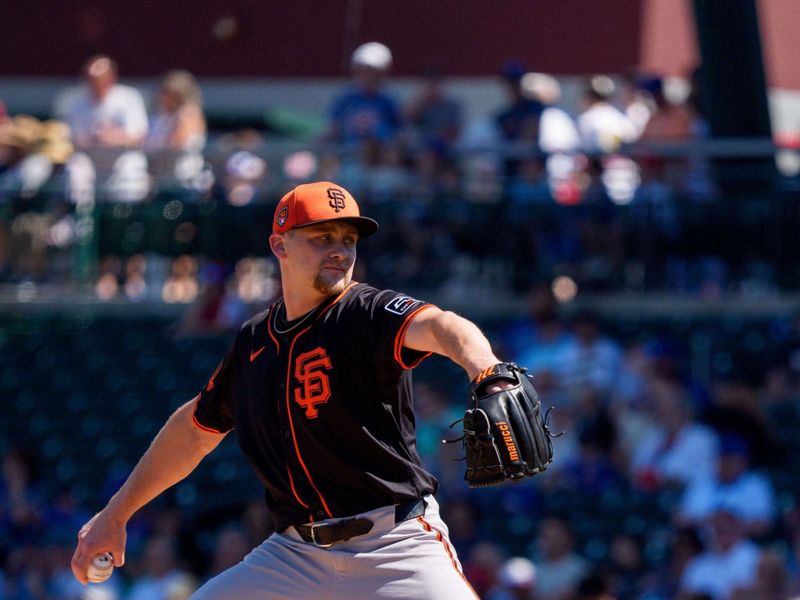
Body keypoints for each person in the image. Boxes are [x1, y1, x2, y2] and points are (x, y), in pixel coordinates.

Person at [71, 180, 515, 599]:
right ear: (279, 245)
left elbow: (442, 326)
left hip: (395, 544)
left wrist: (488, 372)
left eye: (348, 240)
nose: (340, 250)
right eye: (322, 238)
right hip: (295, 555)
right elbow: (194, 429)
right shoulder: (253, 342)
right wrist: (116, 514)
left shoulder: (367, 311)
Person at [56, 55, 149, 203]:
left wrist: (112, 136)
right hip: (91, 158)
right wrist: (92, 137)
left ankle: (123, 221)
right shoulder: (77, 102)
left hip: (121, 158)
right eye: (90, 79)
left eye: (98, 79)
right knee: (76, 166)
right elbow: (72, 139)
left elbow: (139, 136)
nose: (93, 84)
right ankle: (82, 220)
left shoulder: (129, 97)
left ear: (110, 77)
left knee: (131, 169)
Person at [144, 69, 208, 192]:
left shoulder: (189, 113)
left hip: (184, 179)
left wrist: (152, 145)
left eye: (167, 94)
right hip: (164, 179)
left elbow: (176, 143)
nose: (162, 98)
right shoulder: (163, 116)